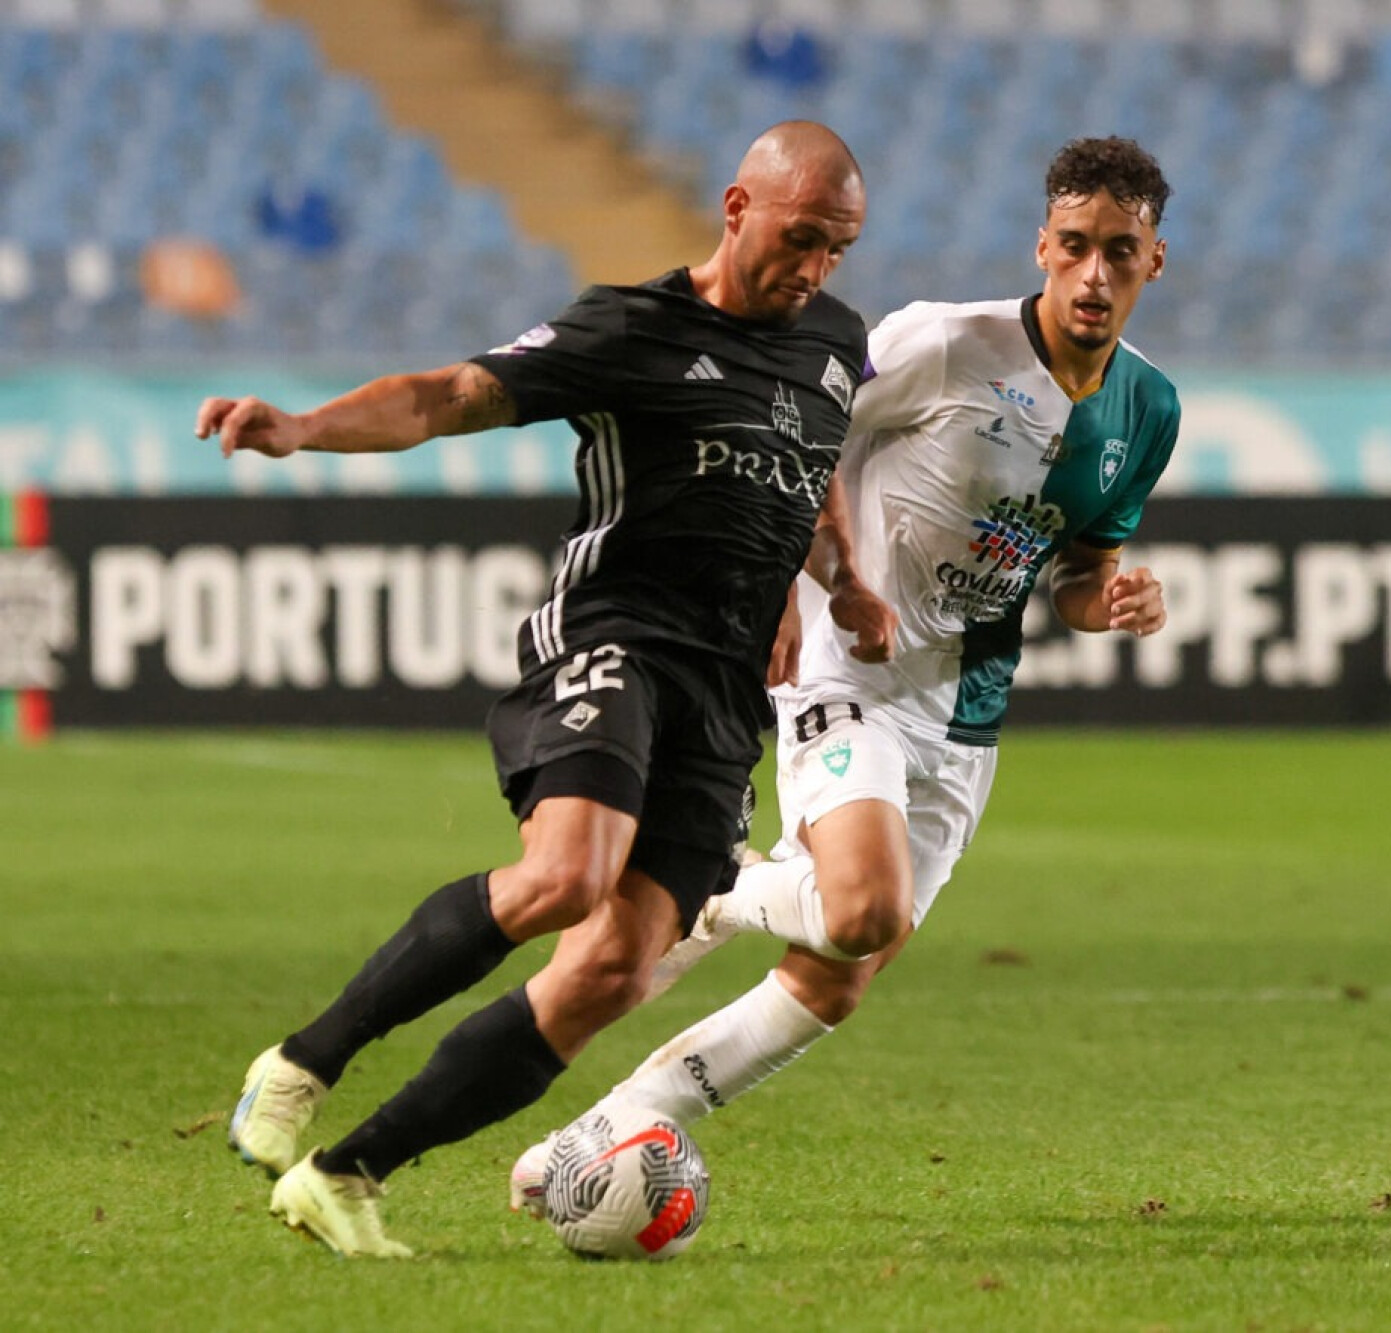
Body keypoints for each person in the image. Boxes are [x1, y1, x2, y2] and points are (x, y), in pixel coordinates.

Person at [198, 120, 871, 1258]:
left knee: (610, 969)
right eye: (800, 239)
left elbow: (811, 470)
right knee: (567, 876)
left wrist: (834, 581)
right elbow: (452, 394)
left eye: (837, 250)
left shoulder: (836, 342)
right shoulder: (632, 326)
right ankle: (302, 1062)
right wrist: (303, 429)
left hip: (720, 698)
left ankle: (347, 1172)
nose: (813, 270)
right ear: (736, 207)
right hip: (614, 635)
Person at [511, 136, 1179, 1197]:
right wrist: (789, 584)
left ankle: (601, 1134)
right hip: (846, 664)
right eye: (1076, 247)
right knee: (862, 906)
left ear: (1154, 262)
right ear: (1041, 246)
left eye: (1121, 253)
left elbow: (1082, 568)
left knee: (839, 973)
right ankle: (716, 883)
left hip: (963, 716)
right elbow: (798, 438)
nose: (1095, 275)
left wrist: (1113, 599)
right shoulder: (940, 344)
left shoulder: (1149, 411)